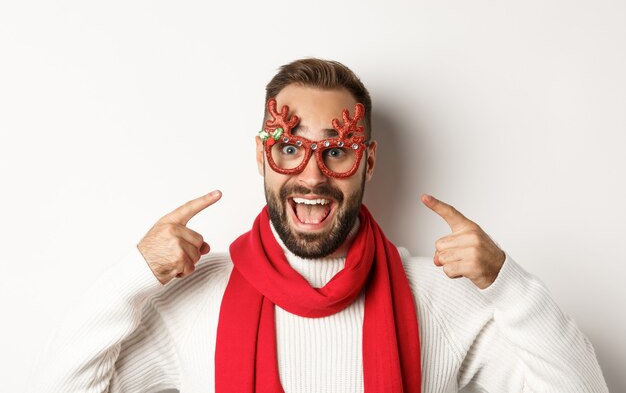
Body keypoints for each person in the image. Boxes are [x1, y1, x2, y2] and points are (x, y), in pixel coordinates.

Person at [29, 58, 608, 393]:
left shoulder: (437, 295)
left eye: (336, 151)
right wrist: (134, 274)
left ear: (369, 163)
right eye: (288, 149)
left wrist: (505, 282)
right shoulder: (195, 296)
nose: (312, 176)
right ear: (261, 157)